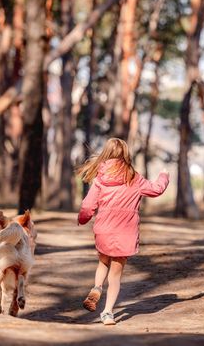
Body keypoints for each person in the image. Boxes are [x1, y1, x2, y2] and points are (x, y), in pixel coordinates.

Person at [76, 138, 169, 325]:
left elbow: (87, 206)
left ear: (106, 153)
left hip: (104, 229)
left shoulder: (100, 179)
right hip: (125, 232)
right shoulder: (134, 177)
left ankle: (96, 287)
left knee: (103, 262)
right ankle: (108, 313)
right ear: (126, 154)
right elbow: (157, 189)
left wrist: (82, 219)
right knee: (116, 274)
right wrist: (164, 175)